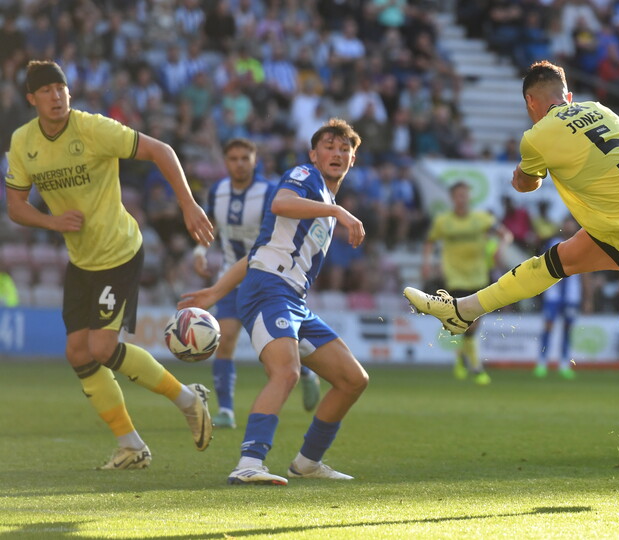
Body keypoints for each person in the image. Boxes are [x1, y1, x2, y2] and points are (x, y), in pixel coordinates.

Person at [404, 60, 619, 458]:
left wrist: (521, 176)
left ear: (531, 102)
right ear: (566, 95)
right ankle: (462, 310)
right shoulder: (600, 109)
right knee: (554, 262)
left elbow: (528, 184)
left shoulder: (536, 136)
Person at [3, 60, 215, 469]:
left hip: (118, 252)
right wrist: (51, 221)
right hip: (81, 259)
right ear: (31, 99)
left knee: (101, 347)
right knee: (77, 352)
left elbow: (161, 150)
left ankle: (188, 399)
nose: (56, 96)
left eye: (61, 88)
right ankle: (131, 445)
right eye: (46, 91)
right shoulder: (22, 142)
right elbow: (15, 205)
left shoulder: (93, 128)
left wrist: (188, 204)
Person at [179, 118, 369, 485]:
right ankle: (248, 463)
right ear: (314, 155)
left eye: (345, 149)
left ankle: (307, 462)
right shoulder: (305, 176)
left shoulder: (326, 200)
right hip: (269, 289)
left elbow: (256, 250)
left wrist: (215, 292)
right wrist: (338, 212)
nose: (337, 153)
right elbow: (282, 203)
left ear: (352, 161)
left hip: (292, 298)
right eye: (329, 146)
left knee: (353, 380)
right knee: (286, 372)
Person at [193, 138, 321, 429]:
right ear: (225, 162)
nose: (239, 163)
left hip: (266, 276)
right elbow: (210, 224)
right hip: (230, 275)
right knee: (224, 340)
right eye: (233, 158)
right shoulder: (218, 191)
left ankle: (306, 372)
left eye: (244, 158)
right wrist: (200, 251)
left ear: (255, 160)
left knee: (278, 350)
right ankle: (225, 410)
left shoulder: (269, 192)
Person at [420, 180, 512, 384]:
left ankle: (462, 357)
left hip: (479, 276)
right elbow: (429, 241)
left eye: (465, 195)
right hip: (455, 278)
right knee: (470, 321)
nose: (462, 198)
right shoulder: (443, 221)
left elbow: (506, 235)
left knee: (472, 324)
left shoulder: (482, 219)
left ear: (469, 197)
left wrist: (500, 248)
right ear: (452, 198)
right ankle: (477, 367)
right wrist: (426, 263)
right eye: (458, 195)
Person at [534, 215, 582, 379]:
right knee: (548, 326)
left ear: (576, 227)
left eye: (571, 224)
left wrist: (588, 298)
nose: (568, 226)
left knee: (567, 329)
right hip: (553, 293)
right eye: (566, 223)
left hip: (571, 295)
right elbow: (542, 268)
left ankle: (564, 363)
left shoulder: (582, 244)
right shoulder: (552, 243)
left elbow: (585, 273)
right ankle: (542, 362)